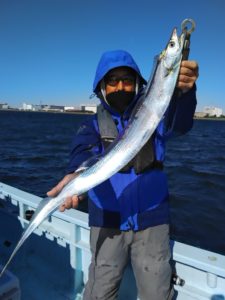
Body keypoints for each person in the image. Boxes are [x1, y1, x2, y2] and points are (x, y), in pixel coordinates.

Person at [48, 49, 199, 300]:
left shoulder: (155, 115)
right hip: (107, 221)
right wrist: (75, 175)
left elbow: (181, 122)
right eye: (113, 81)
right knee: (100, 289)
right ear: (102, 87)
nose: (121, 86)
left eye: (127, 80)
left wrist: (185, 93)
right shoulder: (91, 125)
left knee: (156, 292)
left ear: (138, 84)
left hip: (152, 218)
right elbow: (81, 154)